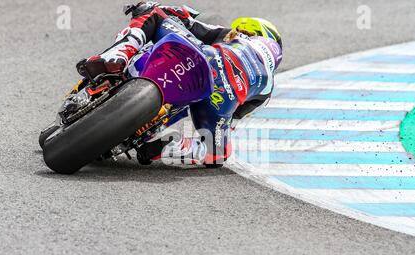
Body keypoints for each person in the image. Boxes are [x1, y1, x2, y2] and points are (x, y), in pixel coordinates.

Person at [77, 2, 283, 167]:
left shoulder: (236, 35)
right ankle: (170, 144)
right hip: (223, 99)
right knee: (216, 156)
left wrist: (177, 13)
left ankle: (118, 56)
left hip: (209, 57)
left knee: (153, 13)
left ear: (251, 29)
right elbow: (236, 115)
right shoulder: (267, 87)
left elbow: (191, 24)